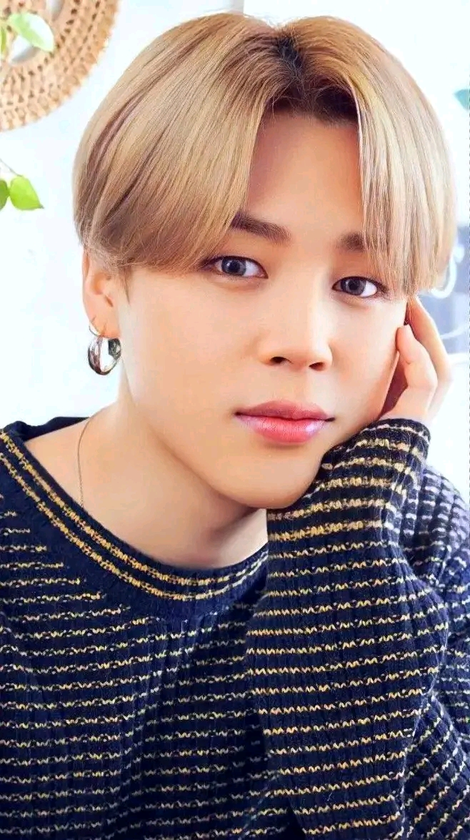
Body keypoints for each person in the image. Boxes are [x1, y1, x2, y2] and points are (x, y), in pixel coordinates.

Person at [0, 10, 468, 839]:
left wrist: (345, 568)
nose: (306, 342)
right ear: (105, 286)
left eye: (360, 284)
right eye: (235, 264)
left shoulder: (419, 541)